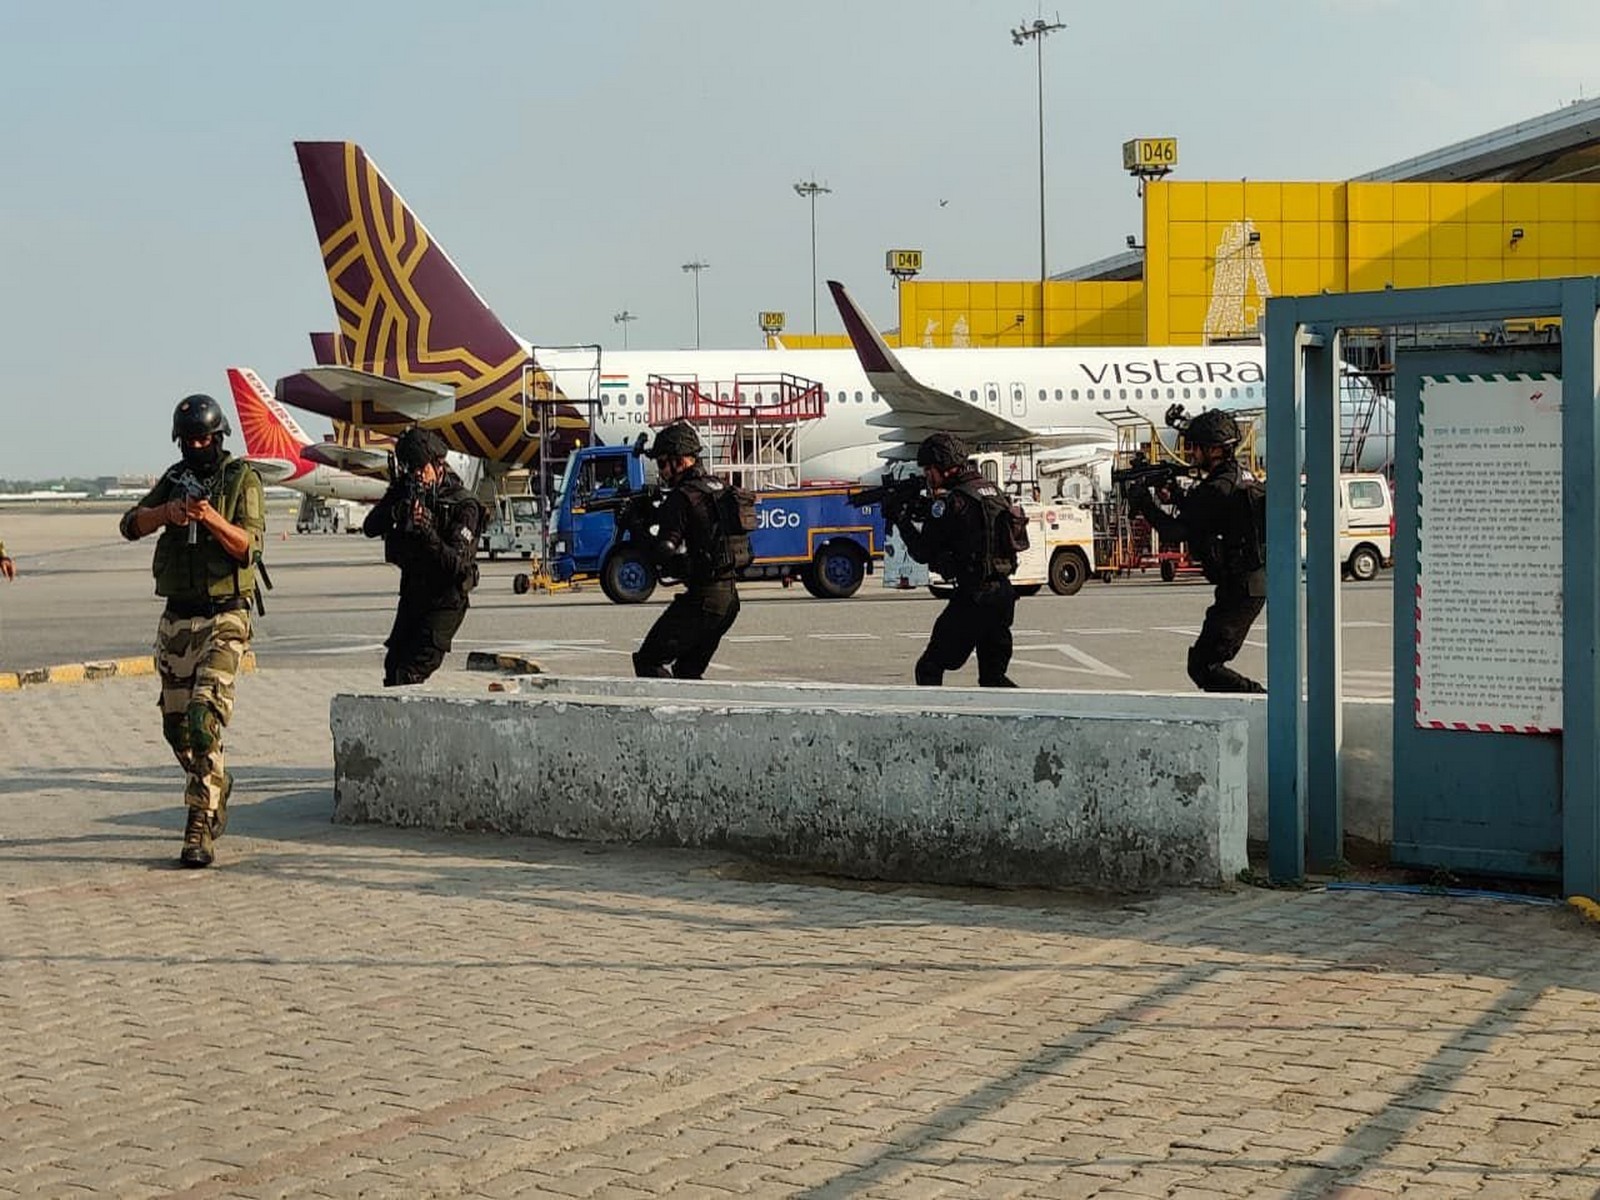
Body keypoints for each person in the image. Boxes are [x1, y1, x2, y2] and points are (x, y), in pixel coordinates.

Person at [119, 394, 265, 868]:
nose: (197, 445)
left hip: (225, 615)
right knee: (176, 728)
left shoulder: (242, 479)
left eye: (204, 438)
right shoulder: (175, 479)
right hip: (177, 618)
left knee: (204, 720)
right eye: (189, 439)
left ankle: (198, 826)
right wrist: (170, 514)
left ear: (218, 436)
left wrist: (212, 518)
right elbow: (129, 525)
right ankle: (216, 781)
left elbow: (249, 547)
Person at [1128, 409, 1266, 693]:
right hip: (1245, 582)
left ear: (1215, 450)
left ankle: (1263, 706)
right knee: (1205, 662)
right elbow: (1210, 516)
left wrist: (1145, 504)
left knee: (1205, 665)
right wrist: (1176, 495)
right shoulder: (1236, 476)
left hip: (1242, 588)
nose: (1191, 453)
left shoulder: (1218, 488)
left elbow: (1175, 532)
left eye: (1196, 447)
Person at [891, 432, 1019, 688]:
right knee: (994, 678)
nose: (927, 476)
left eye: (930, 470)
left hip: (974, 597)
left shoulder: (952, 502)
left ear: (945, 467)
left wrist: (902, 521)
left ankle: (934, 727)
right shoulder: (993, 491)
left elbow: (923, 551)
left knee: (929, 668)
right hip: (1003, 595)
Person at [363, 427, 484, 686]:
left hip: (445, 601)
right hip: (414, 596)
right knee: (393, 666)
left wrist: (427, 530)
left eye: (421, 468)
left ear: (438, 466)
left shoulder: (463, 505)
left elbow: (456, 564)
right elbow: (370, 527)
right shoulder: (406, 490)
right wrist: (396, 510)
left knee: (411, 670)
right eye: (412, 469)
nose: (417, 475)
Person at [631, 421, 741, 679]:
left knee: (649, 661)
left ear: (680, 462)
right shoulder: (717, 487)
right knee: (687, 672)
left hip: (704, 601)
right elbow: (700, 527)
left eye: (662, 464)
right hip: (729, 601)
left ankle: (668, 718)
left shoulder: (682, 496)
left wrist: (636, 528)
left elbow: (663, 552)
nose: (661, 472)